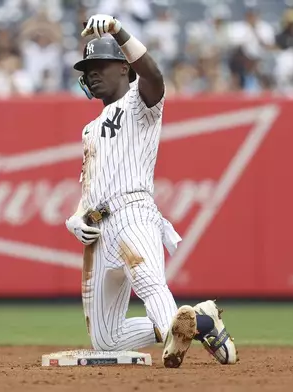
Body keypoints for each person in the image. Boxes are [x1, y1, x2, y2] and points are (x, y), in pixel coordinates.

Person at [65, 14, 238, 368]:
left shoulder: (139, 103)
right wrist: (75, 217)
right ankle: (201, 321)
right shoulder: (88, 129)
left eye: (102, 64)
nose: (93, 71)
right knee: (105, 339)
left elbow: (155, 76)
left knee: (148, 282)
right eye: (89, 66)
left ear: (125, 69)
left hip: (133, 212)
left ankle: (176, 348)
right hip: (99, 231)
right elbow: (90, 184)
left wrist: (118, 31)